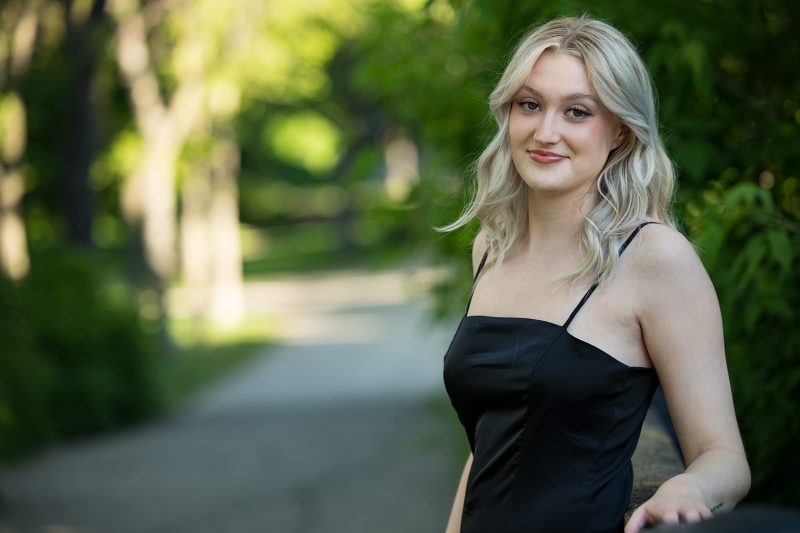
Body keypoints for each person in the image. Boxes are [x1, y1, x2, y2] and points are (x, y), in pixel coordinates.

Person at [440, 15, 750, 533]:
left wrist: (689, 486)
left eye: (577, 112)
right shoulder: (490, 249)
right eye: (529, 104)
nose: (545, 132)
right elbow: (489, 448)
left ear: (621, 131)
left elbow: (724, 458)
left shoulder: (656, 259)